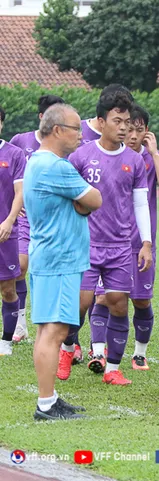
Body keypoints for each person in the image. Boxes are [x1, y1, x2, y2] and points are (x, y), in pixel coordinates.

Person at [60, 91, 152, 386]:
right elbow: (66, 196)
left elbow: (140, 203)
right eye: (117, 121)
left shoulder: (134, 161)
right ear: (101, 122)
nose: (124, 127)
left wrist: (146, 243)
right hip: (85, 244)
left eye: (127, 121)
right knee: (81, 304)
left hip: (120, 247)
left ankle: (113, 368)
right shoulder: (82, 156)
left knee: (118, 304)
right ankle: (66, 349)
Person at [23, 103, 102, 420]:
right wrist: (82, 204)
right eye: (75, 129)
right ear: (57, 130)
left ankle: (50, 398)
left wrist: (79, 204)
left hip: (49, 256)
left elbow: (84, 202)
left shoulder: (38, 161)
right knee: (54, 332)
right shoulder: (55, 167)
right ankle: (46, 404)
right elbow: (94, 199)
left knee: (47, 330)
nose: (81, 136)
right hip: (59, 259)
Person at [9, 95, 66, 346]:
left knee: (53, 273)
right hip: (25, 219)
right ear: (41, 117)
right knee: (20, 267)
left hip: (54, 219)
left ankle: (60, 331)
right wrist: (16, 202)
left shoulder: (65, 144)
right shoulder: (20, 141)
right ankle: (20, 324)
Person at [123, 104, 159, 370]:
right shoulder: (108, 155)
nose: (132, 135)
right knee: (104, 297)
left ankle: (140, 353)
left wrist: (153, 153)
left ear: (146, 131)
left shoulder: (155, 158)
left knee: (141, 299)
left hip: (143, 243)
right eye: (128, 128)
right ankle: (98, 351)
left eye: (138, 129)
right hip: (110, 242)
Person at [0, 106, 26, 356]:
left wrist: (9, 221)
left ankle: (6, 341)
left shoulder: (15, 154)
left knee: (8, 288)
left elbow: (20, 191)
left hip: (5, 233)